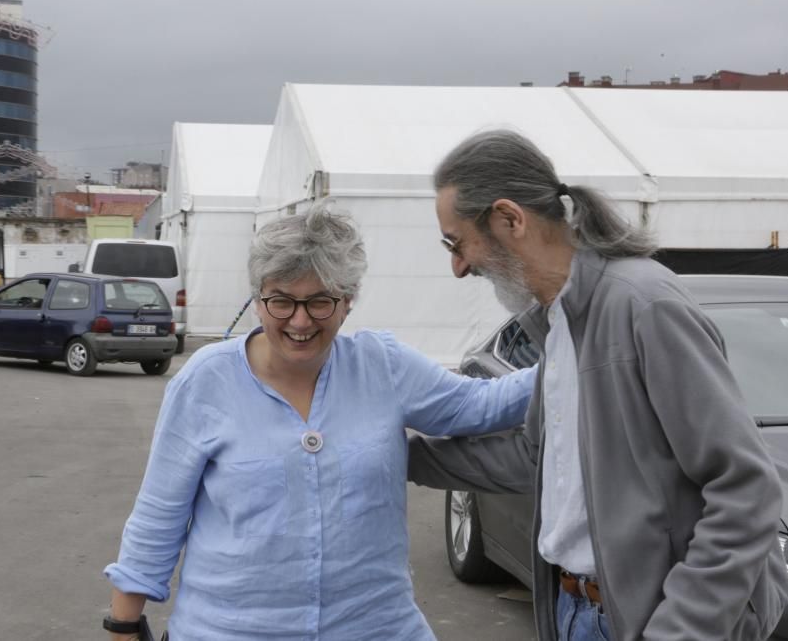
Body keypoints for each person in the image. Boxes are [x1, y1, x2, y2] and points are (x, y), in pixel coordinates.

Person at [408, 129, 788, 641]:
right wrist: (401, 453)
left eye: (456, 243)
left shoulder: (643, 306)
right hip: (577, 611)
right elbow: (535, 459)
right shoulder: (561, 321)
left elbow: (745, 487)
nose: (458, 266)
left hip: (649, 621)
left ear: (509, 219)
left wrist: (682, 629)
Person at [104, 207, 538, 640]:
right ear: (257, 300)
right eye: (282, 300)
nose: (299, 320)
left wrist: (577, 356)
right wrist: (123, 625)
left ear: (347, 301)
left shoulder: (382, 365)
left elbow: (481, 406)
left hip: (375, 627)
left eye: (319, 301)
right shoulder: (207, 381)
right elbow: (159, 514)